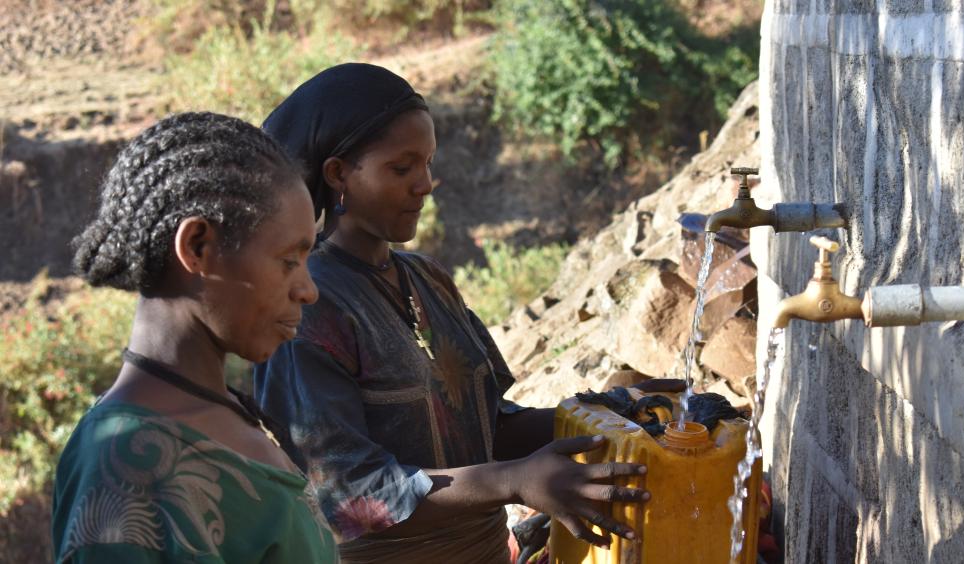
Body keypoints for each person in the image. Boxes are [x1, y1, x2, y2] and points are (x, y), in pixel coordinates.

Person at [255, 63, 683, 563]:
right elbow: (351, 495)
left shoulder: (427, 279)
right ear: (338, 174)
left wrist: (608, 413)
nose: (426, 184)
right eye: (402, 168)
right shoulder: (308, 307)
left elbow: (489, 429)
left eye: (428, 163)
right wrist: (513, 482)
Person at [51, 112, 338, 563]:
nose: (308, 289)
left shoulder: (219, 409)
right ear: (198, 247)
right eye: (288, 261)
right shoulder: (124, 468)